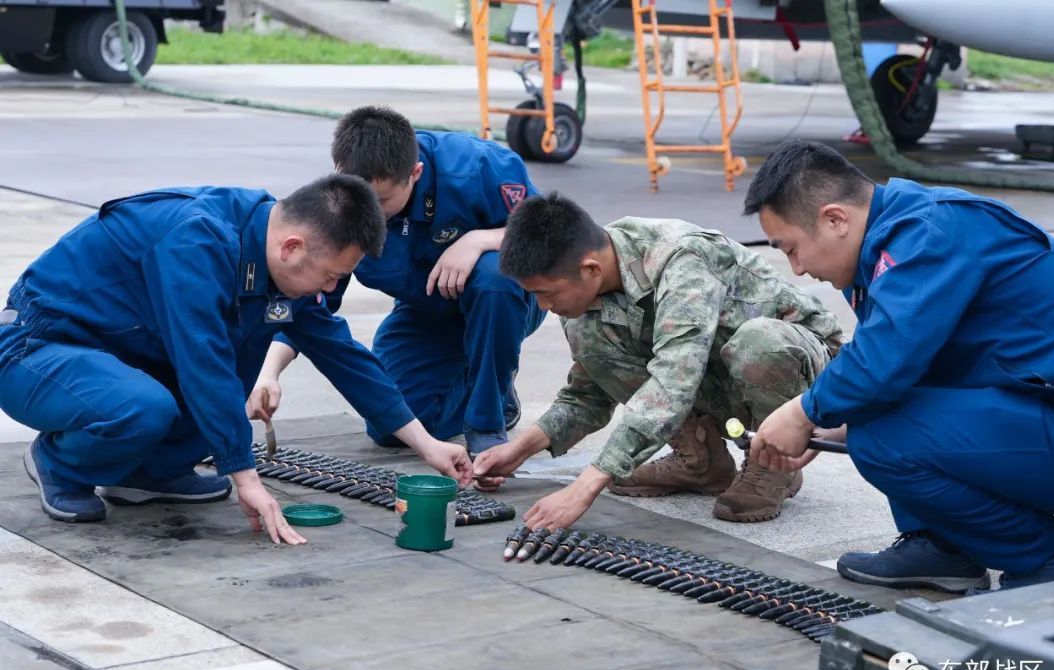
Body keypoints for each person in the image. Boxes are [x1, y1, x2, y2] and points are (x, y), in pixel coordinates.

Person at [0, 176, 471, 543]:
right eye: (330, 276)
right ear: (293, 248)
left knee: (240, 359)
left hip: (122, 357)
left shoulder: (274, 247)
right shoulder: (196, 240)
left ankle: (145, 473)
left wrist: (426, 444)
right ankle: (59, 463)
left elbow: (343, 354)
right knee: (151, 404)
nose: (331, 289)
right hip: (37, 349)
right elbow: (202, 362)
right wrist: (244, 475)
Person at [745, 140, 1054, 593]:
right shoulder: (891, 242)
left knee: (883, 437)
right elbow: (912, 367)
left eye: (791, 249)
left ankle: (1052, 561)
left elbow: (885, 359)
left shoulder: (926, 235)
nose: (797, 269)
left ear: (835, 219)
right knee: (874, 418)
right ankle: (945, 546)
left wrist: (803, 412)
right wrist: (836, 421)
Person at [472, 192, 844, 530]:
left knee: (759, 342)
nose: (543, 307)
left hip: (806, 374)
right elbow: (588, 395)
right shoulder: (586, 292)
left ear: (590, 269)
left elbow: (674, 380)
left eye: (547, 293)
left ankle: (774, 461)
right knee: (591, 337)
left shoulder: (680, 259)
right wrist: (518, 451)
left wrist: (586, 486)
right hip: (719, 373)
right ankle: (700, 461)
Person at [249, 106, 546, 456]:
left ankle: (488, 419)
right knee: (390, 427)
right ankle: (481, 383)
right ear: (339, 171)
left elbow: (546, 232)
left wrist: (480, 240)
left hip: (505, 302)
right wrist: (268, 373)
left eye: (382, 200)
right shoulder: (339, 203)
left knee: (494, 274)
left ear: (415, 173)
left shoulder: (477, 167)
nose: (369, 211)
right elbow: (308, 302)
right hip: (428, 310)